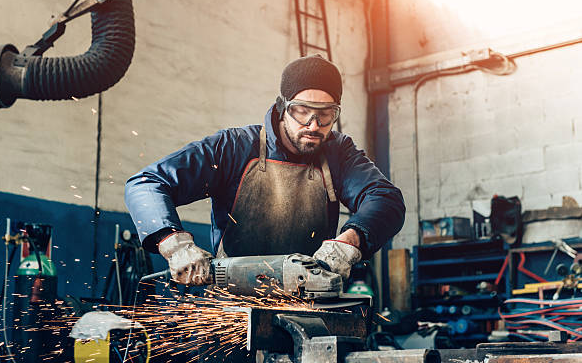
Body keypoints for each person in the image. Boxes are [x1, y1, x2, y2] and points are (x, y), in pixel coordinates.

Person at [125, 54, 405, 286]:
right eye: (301, 111)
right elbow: (147, 183)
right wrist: (174, 244)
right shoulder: (233, 148)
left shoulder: (338, 152)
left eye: (326, 114)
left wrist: (349, 241)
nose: (313, 124)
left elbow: (385, 199)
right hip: (232, 304)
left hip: (309, 299)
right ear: (283, 107)